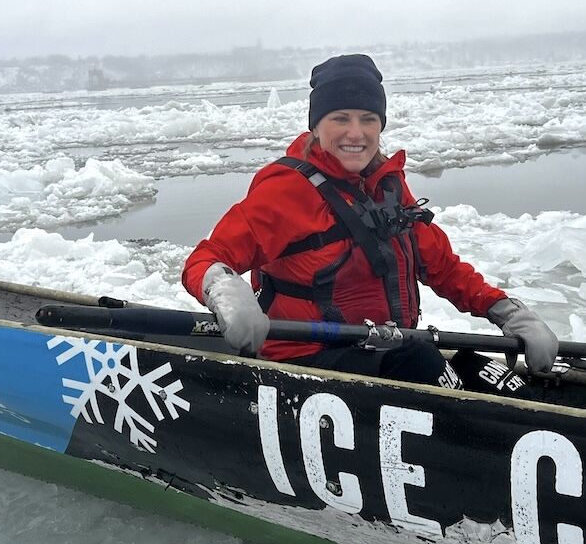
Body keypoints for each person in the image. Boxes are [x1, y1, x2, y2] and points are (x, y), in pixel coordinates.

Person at [181, 53, 558, 388]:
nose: (355, 133)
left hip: (385, 351)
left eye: (367, 119)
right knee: (421, 363)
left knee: (482, 371)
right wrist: (225, 290)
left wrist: (505, 310)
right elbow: (207, 258)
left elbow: (441, 267)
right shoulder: (286, 189)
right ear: (316, 126)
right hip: (307, 363)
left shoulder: (387, 186)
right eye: (340, 118)